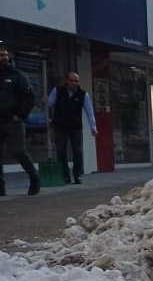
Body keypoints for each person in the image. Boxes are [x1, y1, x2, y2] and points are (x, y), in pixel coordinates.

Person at [0, 47, 41, 196]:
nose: (3, 57)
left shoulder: (17, 75)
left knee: (19, 151)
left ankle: (35, 178)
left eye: (5, 55)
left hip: (14, 121)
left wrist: (20, 115)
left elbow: (28, 96)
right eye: (0, 55)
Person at [48, 72, 98, 185]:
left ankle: (77, 175)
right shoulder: (57, 91)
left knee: (77, 152)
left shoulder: (83, 94)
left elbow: (89, 112)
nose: (74, 83)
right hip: (60, 125)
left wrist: (93, 127)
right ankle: (65, 176)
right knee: (61, 152)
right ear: (67, 81)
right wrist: (46, 102)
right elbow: (49, 104)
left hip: (75, 126)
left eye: (76, 81)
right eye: (72, 80)